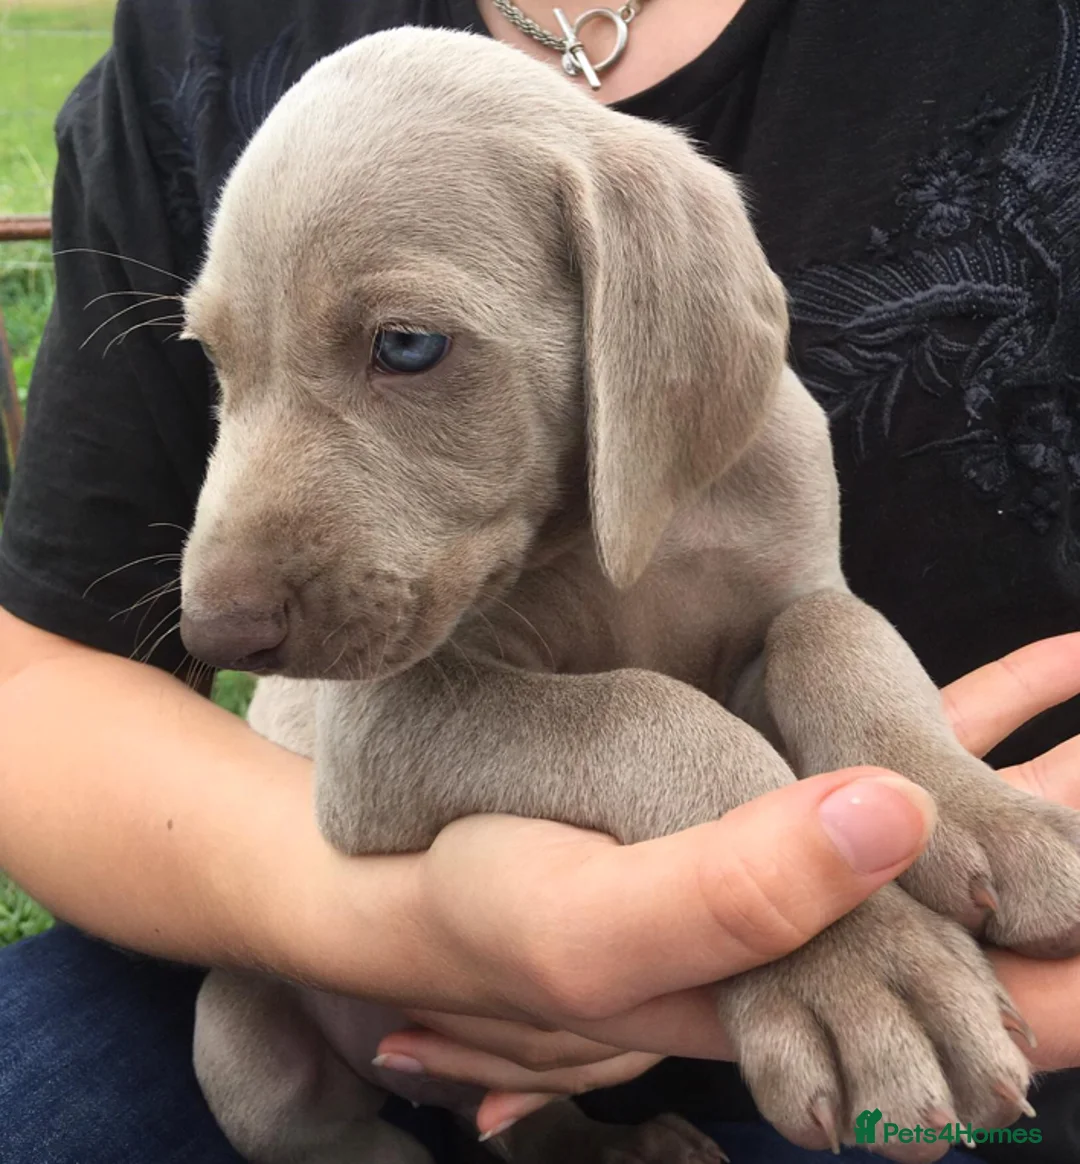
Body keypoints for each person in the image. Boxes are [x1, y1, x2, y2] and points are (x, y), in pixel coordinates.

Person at [0, 0, 1077, 1160]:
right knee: (138, 1083)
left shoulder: (760, 424)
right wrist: (395, 932)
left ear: (649, 323)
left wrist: (909, 774)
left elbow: (801, 622)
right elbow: (347, 762)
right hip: (316, 971)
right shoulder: (199, 32)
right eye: (223, 359)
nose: (222, 610)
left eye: (405, 346)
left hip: (889, 1015)